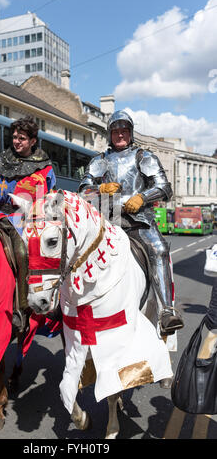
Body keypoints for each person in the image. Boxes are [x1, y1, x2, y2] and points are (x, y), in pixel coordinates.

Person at [78, 109, 184, 336]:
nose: (120, 135)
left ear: (130, 132)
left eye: (124, 130)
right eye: (115, 131)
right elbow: (83, 190)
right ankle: (67, 305)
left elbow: (165, 187)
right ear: (109, 134)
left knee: (159, 249)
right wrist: (100, 188)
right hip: (107, 222)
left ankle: (167, 310)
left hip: (138, 222)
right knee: (75, 251)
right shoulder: (100, 160)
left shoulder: (143, 157)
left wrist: (142, 197)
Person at [0, 115, 56, 322]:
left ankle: (23, 307)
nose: (17, 141)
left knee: (22, 251)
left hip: (23, 220)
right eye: (15, 137)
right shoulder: (0, 160)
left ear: (33, 141)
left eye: (22, 138)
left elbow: (49, 200)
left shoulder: (44, 167)